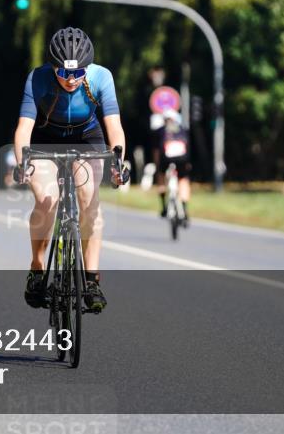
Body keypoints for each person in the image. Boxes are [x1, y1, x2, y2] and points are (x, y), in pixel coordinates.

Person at [13, 27, 127, 314]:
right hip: (46, 140)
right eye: (64, 74)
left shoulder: (102, 77)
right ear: (54, 68)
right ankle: (37, 270)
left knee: (89, 199)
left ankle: (91, 279)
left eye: (78, 74)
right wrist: (22, 163)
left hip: (87, 137)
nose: (72, 80)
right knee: (46, 199)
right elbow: (24, 129)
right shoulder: (37, 78)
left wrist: (118, 162)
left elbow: (114, 125)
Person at [154, 109, 191, 221]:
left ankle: (164, 207)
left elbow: (156, 150)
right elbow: (187, 147)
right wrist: (188, 163)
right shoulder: (182, 129)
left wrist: (157, 165)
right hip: (182, 158)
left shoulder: (160, 131)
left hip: (165, 158)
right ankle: (184, 210)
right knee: (183, 180)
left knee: (161, 176)